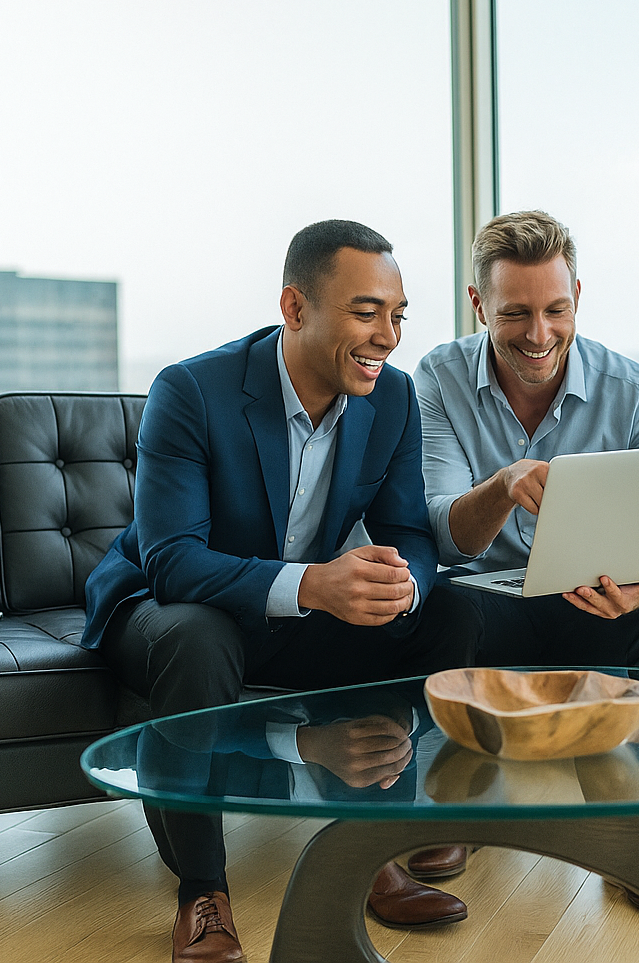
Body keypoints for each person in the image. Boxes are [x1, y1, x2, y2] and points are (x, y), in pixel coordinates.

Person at [82, 220, 479, 963]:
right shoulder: (192, 390)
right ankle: (203, 891)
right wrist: (315, 585)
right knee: (199, 635)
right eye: (367, 312)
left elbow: (410, 533)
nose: (388, 336)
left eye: (398, 315)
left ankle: (370, 845)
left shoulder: (391, 398)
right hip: (167, 609)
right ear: (295, 309)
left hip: (297, 610)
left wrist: (405, 587)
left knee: (449, 610)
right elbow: (173, 561)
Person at [407, 210, 639, 895]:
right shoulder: (438, 379)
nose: (538, 335)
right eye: (514, 313)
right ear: (479, 304)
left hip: (591, 597)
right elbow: (444, 534)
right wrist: (505, 484)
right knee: (442, 615)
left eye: (556, 309)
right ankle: (443, 812)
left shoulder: (637, 395)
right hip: (486, 600)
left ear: (578, 298)